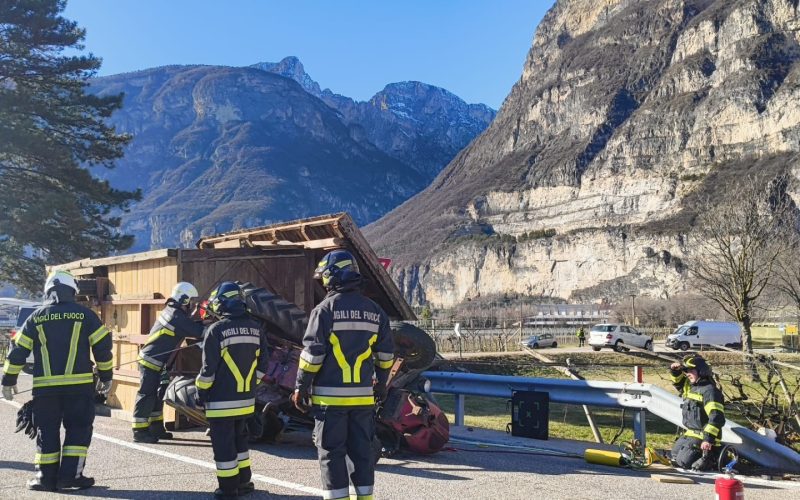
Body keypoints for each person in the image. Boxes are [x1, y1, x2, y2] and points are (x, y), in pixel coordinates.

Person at [292, 249, 395, 500]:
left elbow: (312, 356)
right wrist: (381, 384)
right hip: (362, 401)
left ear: (332, 276)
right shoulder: (375, 311)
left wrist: (300, 388)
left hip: (330, 402)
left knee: (331, 454)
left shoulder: (324, 310)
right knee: (362, 453)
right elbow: (386, 357)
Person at [1, 270, 113, 491]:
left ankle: (44, 478)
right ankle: (70, 477)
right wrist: (106, 377)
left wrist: (8, 380)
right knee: (79, 429)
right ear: (72, 291)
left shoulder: (36, 317)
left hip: (45, 390)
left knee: (47, 430)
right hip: (80, 388)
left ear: (48, 291)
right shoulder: (86, 315)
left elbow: (17, 352)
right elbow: (103, 349)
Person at [196, 282, 269, 499]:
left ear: (222, 303)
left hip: (221, 403)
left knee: (224, 446)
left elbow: (208, 370)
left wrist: (201, 390)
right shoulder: (256, 328)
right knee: (240, 442)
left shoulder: (215, 330)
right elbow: (263, 366)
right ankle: (244, 482)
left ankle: (228, 489)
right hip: (245, 400)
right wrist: (248, 387)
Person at [132, 282, 204, 443]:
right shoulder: (175, 316)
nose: (191, 305)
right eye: (191, 301)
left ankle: (156, 428)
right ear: (184, 299)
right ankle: (139, 431)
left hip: (158, 362)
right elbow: (198, 332)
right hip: (151, 361)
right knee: (147, 394)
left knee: (158, 394)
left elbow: (190, 326)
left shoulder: (174, 313)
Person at [669, 354, 726, 470]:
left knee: (683, 462)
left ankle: (712, 457)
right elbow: (679, 384)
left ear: (701, 371)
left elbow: (717, 417)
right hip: (691, 434)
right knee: (674, 455)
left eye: (691, 370)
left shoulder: (710, 391)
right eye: (686, 371)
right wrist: (675, 372)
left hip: (704, 437)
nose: (687, 373)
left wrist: (708, 439)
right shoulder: (692, 387)